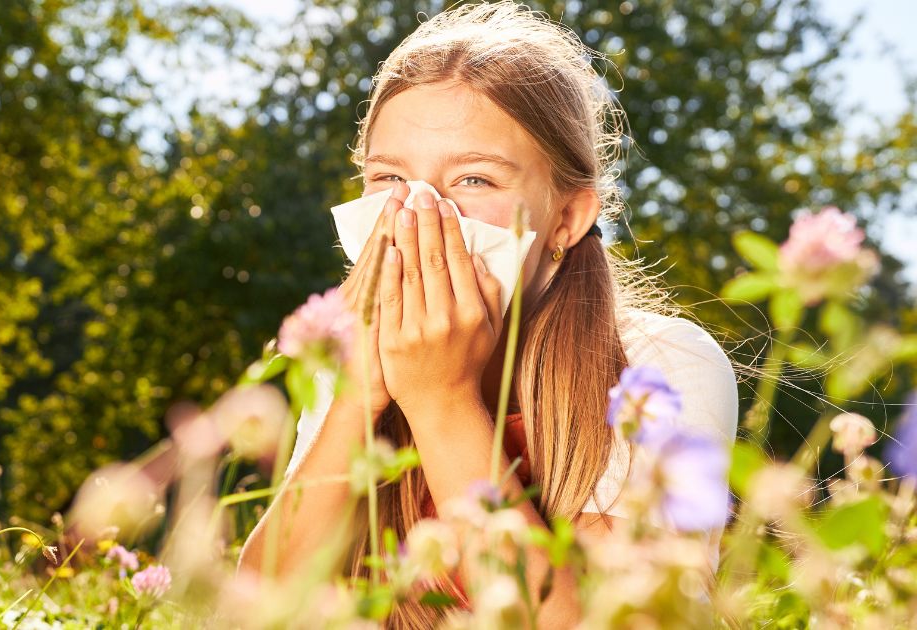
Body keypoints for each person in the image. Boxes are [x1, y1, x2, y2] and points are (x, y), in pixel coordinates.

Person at [238, 3, 737, 628]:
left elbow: (605, 620)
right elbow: (254, 611)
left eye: (474, 179)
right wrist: (355, 400)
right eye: (388, 176)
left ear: (567, 218)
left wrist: (441, 398)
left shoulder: (660, 364)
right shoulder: (354, 358)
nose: (418, 210)